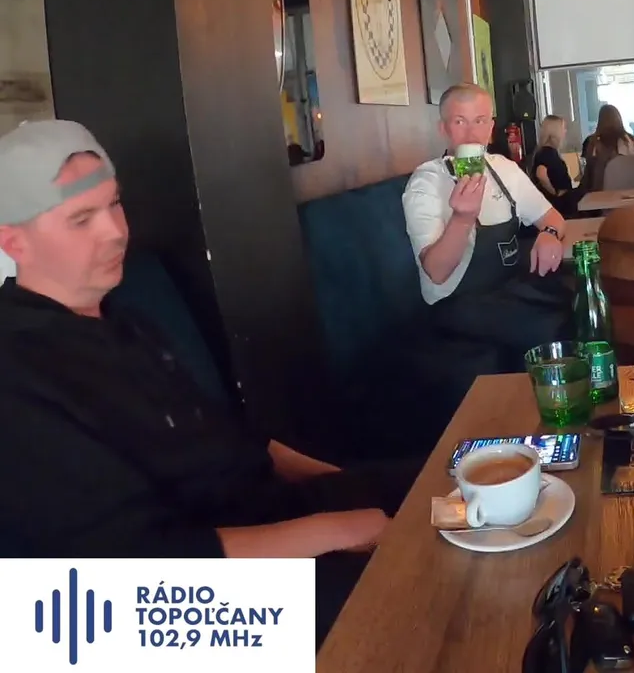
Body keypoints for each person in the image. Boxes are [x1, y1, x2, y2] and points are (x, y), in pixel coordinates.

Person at [0, 119, 421, 645]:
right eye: (81, 218)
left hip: (261, 516)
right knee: (416, 595)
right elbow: (132, 563)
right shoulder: (19, 369)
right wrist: (334, 529)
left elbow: (239, 444)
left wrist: (350, 484)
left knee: (440, 486)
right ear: (14, 241)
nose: (115, 231)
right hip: (166, 606)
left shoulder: (127, 323)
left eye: (114, 204)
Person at [403, 83, 571, 366]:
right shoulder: (426, 182)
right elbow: (436, 272)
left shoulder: (504, 169)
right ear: (443, 129)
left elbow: (553, 218)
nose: (471, 134)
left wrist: (550, 234)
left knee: (577, 300)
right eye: (460, 122)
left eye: (480, 121)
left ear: (491, 128)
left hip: (508, 289)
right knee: (551, 330)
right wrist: (462, 218)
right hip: (456, 304)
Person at [580, 104, 634, 193]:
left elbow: (588, 171)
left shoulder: (592, 141)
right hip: (629, 189)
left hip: (599, 191)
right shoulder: (631, 140)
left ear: (600, 120)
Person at [528, 114, 579, 217]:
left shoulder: (544, 152)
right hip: (558, 204)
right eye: (563, 128)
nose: (565, 131)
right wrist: (554, 193)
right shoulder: (547, 153)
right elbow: (541, 174)